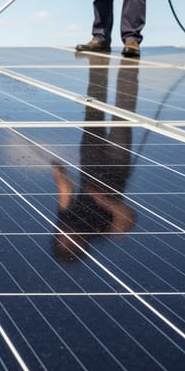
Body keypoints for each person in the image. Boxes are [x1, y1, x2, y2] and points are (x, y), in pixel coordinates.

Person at [52, 54, 139, 261]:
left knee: (93, 111)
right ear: (81, 247)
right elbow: (128, 218)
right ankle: (129, 67)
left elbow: (66, 191)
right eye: (71, 245)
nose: (66, 238)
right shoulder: (103, 233)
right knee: (122, 114)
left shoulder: (64, 219)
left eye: (61, 240)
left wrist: (59, 175)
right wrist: (103, 201)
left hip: (90, 161)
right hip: (116, 164)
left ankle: (98, 64)